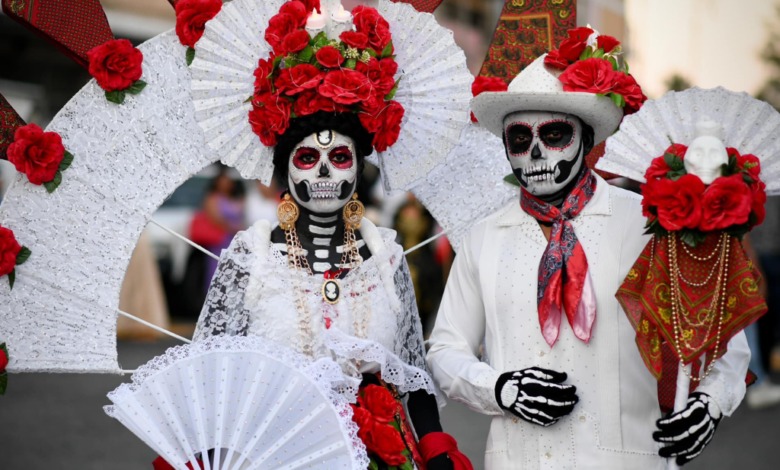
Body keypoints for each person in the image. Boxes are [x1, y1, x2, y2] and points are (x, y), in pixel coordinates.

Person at [426, 29, 750, 469]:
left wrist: (709, 404)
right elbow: (446, 350)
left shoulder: (650, 223)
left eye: (554, 134)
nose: (536, 153)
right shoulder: (483, 237)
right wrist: (501, 388)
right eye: (520, 140)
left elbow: (723, 338)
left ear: (585, 138)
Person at [190, 3, 472, 469]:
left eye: (340, 158)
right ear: (284, 171)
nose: (324, 171)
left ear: (359, 171)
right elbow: (210, 381)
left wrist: (437, 453)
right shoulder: (253, 255)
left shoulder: (385, 257)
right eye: (306, 159)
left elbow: (414, 379)